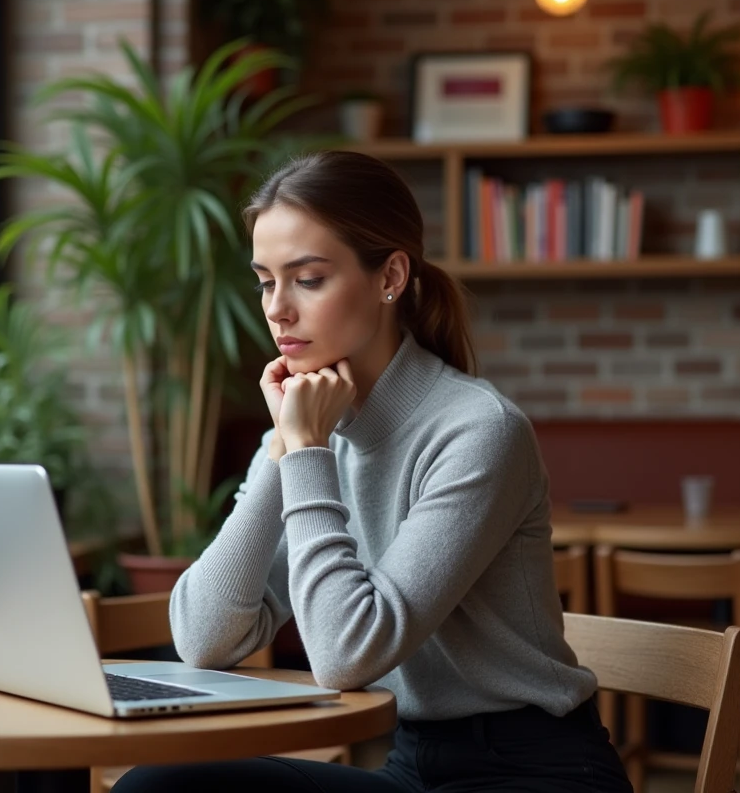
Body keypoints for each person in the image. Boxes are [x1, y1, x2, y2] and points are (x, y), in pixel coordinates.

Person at [114, 151, 633, 793]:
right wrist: (286, 447)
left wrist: (303, 453)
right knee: (158, 788)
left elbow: (345, 654)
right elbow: (203, 638)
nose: (277, 309)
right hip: (412, 766)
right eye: (265, 281)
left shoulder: (478, 430)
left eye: (307, 279)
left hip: (534, 772)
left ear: (390, 275)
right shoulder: (304, 420)